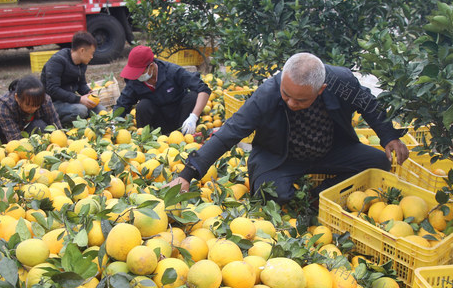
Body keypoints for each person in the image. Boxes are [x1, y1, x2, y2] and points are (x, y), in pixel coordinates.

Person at [169, 52, 410, 202]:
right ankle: (307, 192)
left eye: (301, 100)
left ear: (321, 89)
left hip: (331, 150)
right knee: (271, 195)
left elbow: (367, 102)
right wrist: (188, 174)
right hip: (280, 156)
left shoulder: (341, 81)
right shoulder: (268, 92)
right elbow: (231, 131)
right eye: (286, 95)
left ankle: (321, 194)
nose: (292, 103)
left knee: (379, 163)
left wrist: (388, 136)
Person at [114, 45, 211, 135]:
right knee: (143, 106)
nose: (137, 75)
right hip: (157, 124)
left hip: (181, 118)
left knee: (192, 97)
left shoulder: (172, 71)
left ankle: (186, 134)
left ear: (151, 66)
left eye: (140, 71)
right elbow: (122, 104)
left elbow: (203, 89)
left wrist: (193, 117)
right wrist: (113, 123)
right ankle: (145, 141)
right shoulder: (135, 80)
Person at [0, 75, 62, 145]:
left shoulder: (45, 100)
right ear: (17, 98)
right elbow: (15, 140)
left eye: (37, 105)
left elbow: (57, 127)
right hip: (1, 135)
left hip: (26, 134)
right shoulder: (4, 106)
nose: (33, 108)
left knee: (40, 126)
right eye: (29, 105)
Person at [40, 31, 103, 126]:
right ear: (82, 50)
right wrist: (79, 99)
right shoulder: (57, 61)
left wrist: (88, 92)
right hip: (53, 103)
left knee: (101, 110)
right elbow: (53, 89)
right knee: (81, 110)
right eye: (91, 53)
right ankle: (55, 123)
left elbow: (81, 84)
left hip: (69, 100)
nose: (92, 57)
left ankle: (82, 121)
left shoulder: (82, 63)